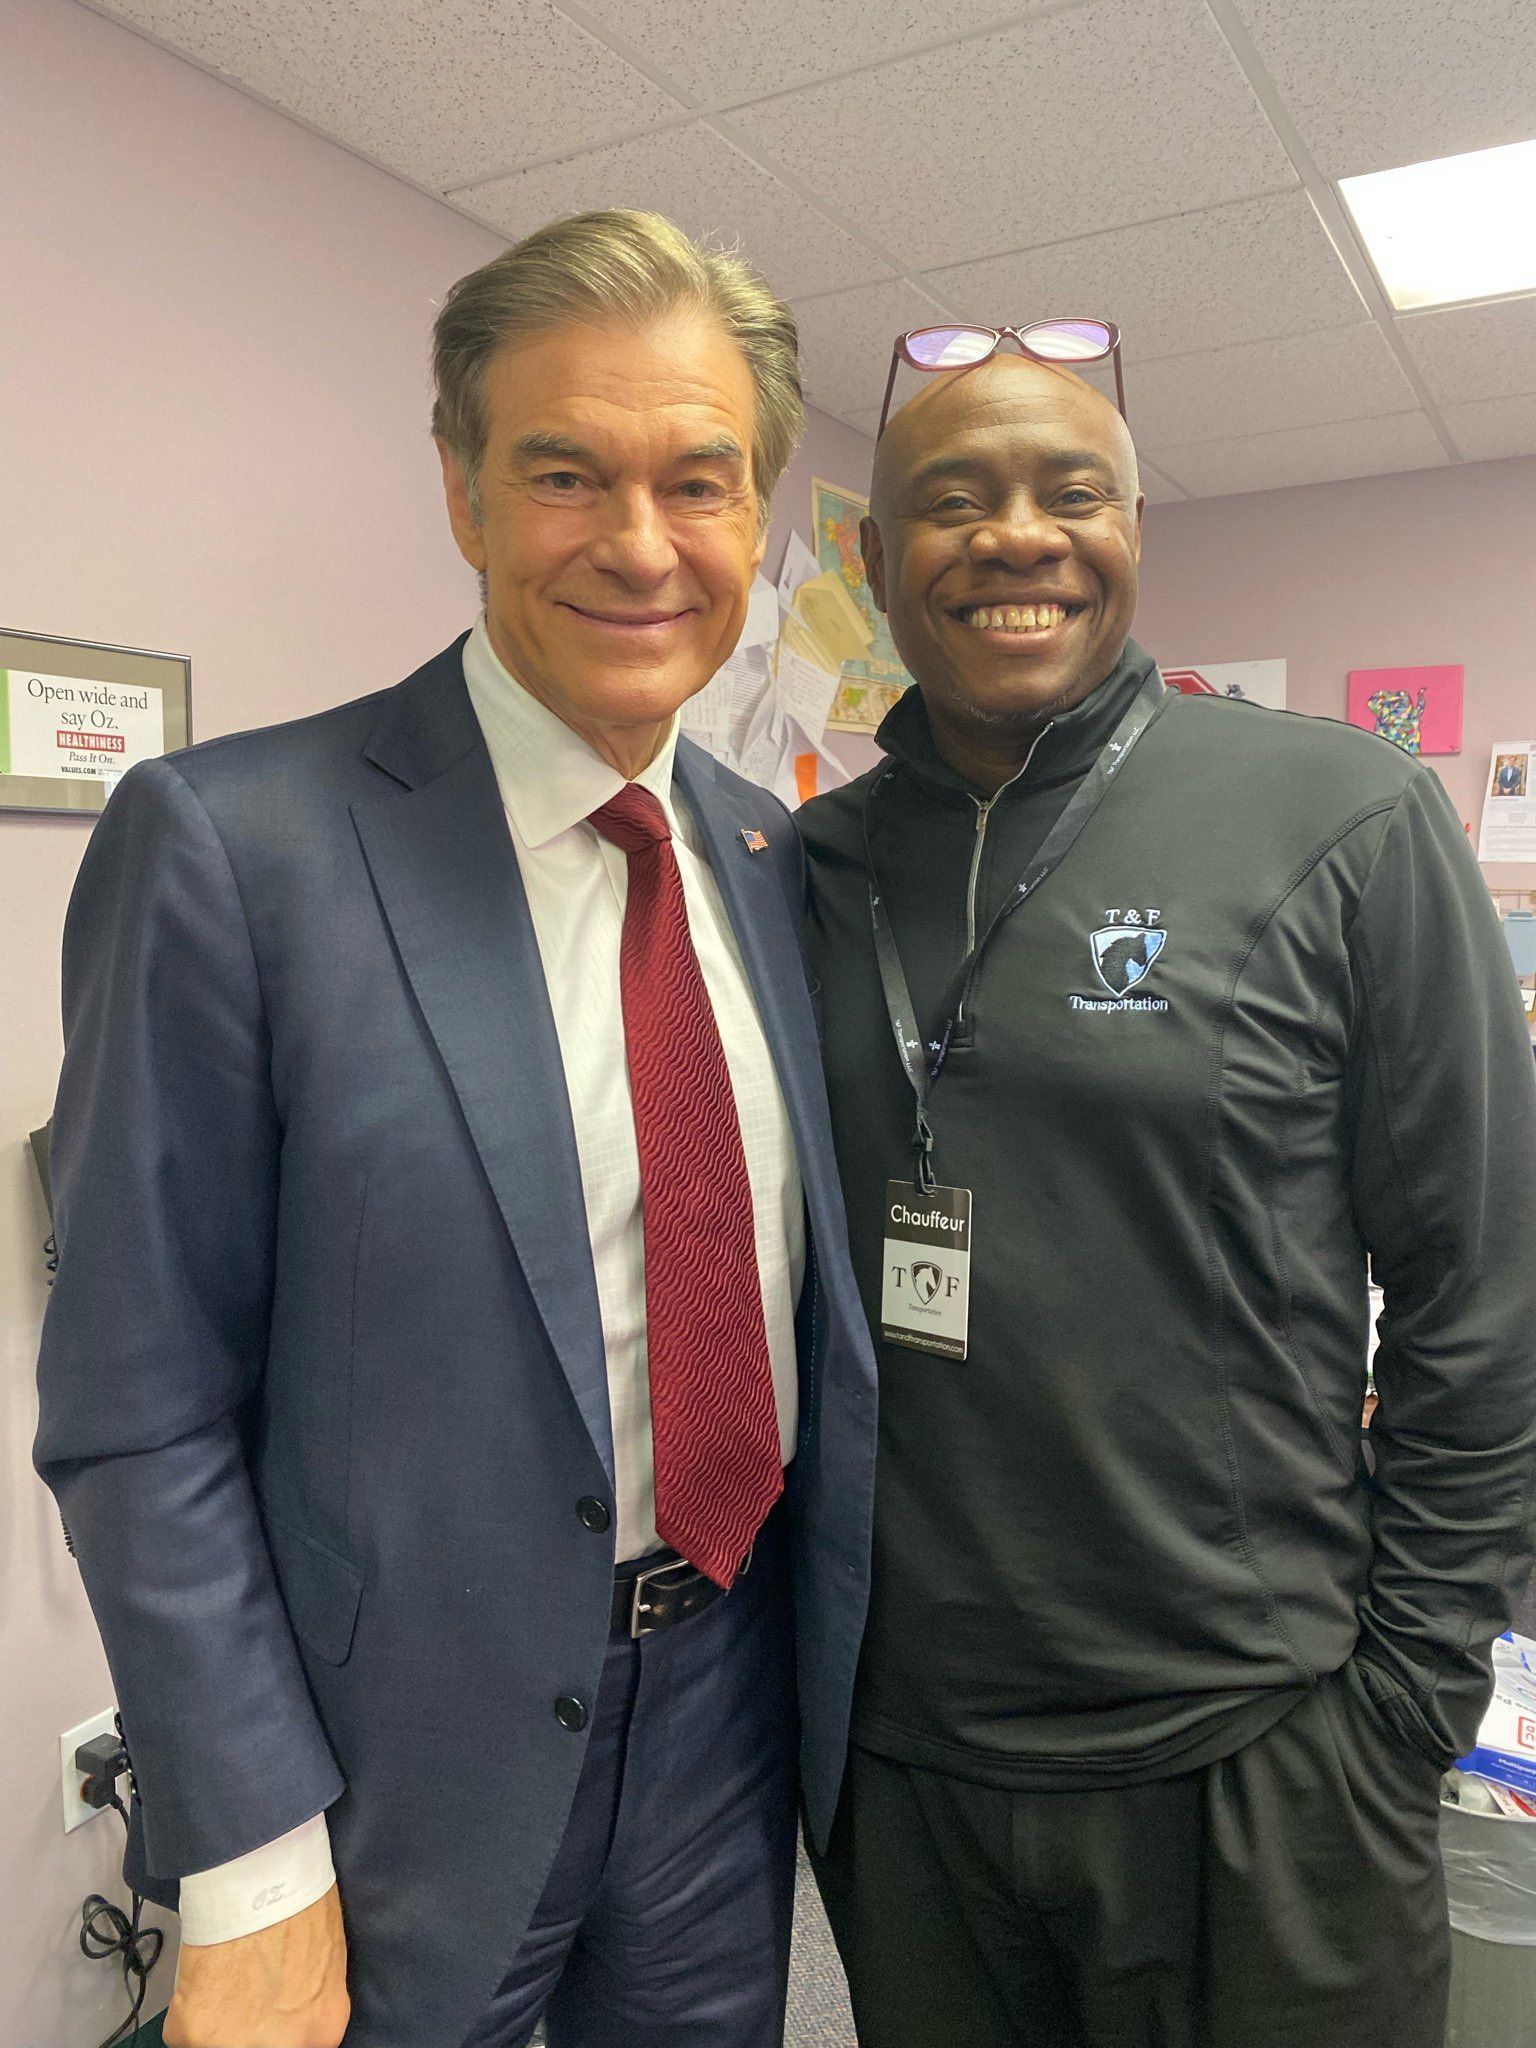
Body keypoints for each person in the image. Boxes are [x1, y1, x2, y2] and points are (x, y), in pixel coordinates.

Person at [34, 210, 877, 2048]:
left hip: (729, 1708)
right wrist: (250, 1862)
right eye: (564, 471)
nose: (639, 544)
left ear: (763, 511)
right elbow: (133, 1406)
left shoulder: (773, 858)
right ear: (461, 489)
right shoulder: (233, 848)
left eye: (699, 482)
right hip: (386, 1760)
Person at [797, 338, 1536, 2048]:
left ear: (1136, 525)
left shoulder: (1336, 810)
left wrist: (1400, 1712)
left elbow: (1477, 1292)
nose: (1017, 536)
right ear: (877, 554)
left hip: (1259, 1753)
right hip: (908, 1765)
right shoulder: (809, 868)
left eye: (1072, 492)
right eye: (953, 500)